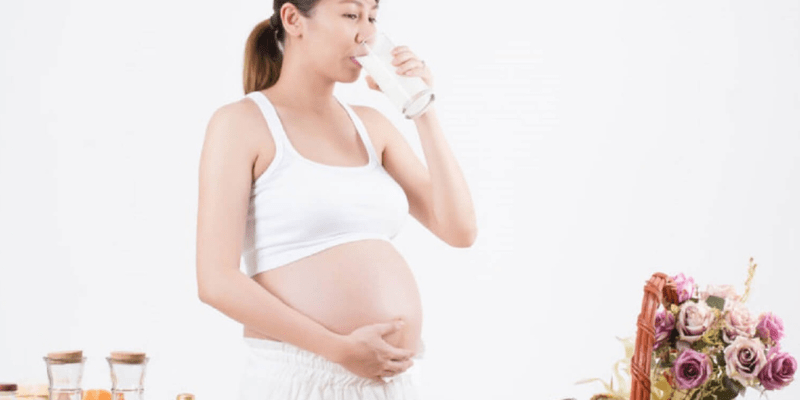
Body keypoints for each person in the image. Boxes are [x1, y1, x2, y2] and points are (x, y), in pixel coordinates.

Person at [195, 0, 477, 398]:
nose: (367, 33)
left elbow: (460, 230)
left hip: (393, 383)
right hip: (300, 377)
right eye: (350, 15)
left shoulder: (371, 126)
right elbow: (215, 281)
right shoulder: (241, 124)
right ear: (293, 19)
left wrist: (422, 106)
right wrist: (338, 349)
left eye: (372, 17)